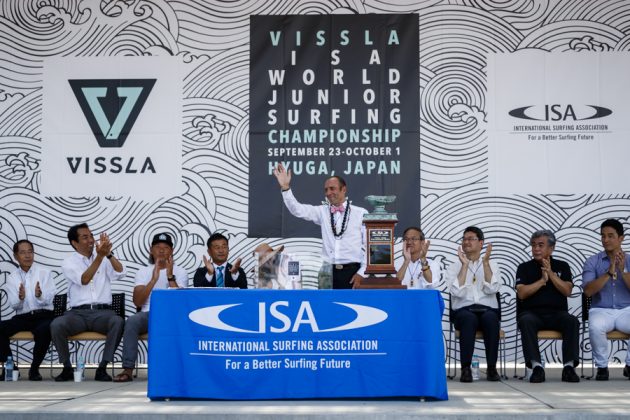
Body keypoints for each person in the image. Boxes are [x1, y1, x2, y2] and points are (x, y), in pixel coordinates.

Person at [273, 163, 367, 289]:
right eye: (326, 190)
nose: (328, 193)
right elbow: (297, 209)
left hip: (353, 272)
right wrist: (285, 187)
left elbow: (370, 247)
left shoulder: (361, 213)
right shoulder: (322, 211)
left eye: (332, 188)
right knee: (324, 308)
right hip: (326, 272)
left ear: (343, 189)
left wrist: (362, 273)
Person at [51, 223, 125, 382]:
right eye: (85, 237)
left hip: (103, 314)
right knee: (57, 325)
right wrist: (100, 256)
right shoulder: (69, 262)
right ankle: (67, 368)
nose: (91, 240)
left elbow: (121, 271)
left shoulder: (104, 258)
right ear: (74, 243)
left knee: (118, 321)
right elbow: (84, 279)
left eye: (91, 235)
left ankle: (102, 367)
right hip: (77, 314)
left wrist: (108, 254)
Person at [113, 232, 187, 382]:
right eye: (157, 247)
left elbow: (180, 303)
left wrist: (170, 276)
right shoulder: (143, 271)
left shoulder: (181, 271)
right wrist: (153, 279)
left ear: (171, 251)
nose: (161, 250)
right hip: (148, 314)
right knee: (132, 320)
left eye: (166, 247)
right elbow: (138, 302)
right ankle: (127, 369)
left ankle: (177, 369)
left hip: (171, 316)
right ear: (150, 250)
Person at [515, 230, 580, 383]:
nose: (536, 249)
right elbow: (522, 294)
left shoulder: (562, 266)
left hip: (557, 314)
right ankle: (537, 367)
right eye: (534, 245)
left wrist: (550, 274)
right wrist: (542, 281)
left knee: (572, 321)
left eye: (541, 245)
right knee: (525, 321)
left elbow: (567, 290)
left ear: (551, 248)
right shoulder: (524, 267)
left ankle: (569, 367)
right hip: (532, 314)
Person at [446, 226, 501, 382]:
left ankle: (491, 368)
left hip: (487, 309)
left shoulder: (492, 264)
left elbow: (493, 288)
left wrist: (485, 264)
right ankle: (466, 369)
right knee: (469, 319)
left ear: (481, 243)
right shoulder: (454, 266)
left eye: (471, 239)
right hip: (463, 310)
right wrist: (464, 266)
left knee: (491, 319)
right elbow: (456, 292)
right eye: (464, 239)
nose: (466, 242)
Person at [0, 240, 56, 381]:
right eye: (23, 252)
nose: (27, 255)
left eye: (30, 251)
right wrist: (20, 298)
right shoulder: (12, 278)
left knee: (45, 329)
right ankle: (11, 367)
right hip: (23, 317)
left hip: (44, 315)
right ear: (15, 256)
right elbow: (14, 305)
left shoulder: (44, 273)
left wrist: (39, 295)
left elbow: (49, 299)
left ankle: (34, 369)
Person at [583, 218, 630, 381]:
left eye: (610, 236)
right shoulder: (592, 261)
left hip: (626, 310)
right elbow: (588, 291)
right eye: (603, 236)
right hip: (601, 309)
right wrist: (609, 272)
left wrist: (622, 271)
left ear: (621, 238)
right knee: (595, 327)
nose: (606, 240)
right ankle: (602, 367)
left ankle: (629, 366)